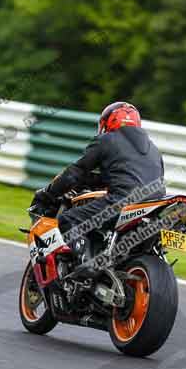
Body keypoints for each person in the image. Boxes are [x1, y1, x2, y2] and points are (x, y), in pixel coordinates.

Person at [31, 101, 166, 263]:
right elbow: (119, 177)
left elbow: (74, 173)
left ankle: (86, 265)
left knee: (69, 220)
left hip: (124, 202)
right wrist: (87, 183)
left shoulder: (106, 140)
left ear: (109, 122)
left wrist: (48, 193)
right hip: (155, 207)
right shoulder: (154, 149)